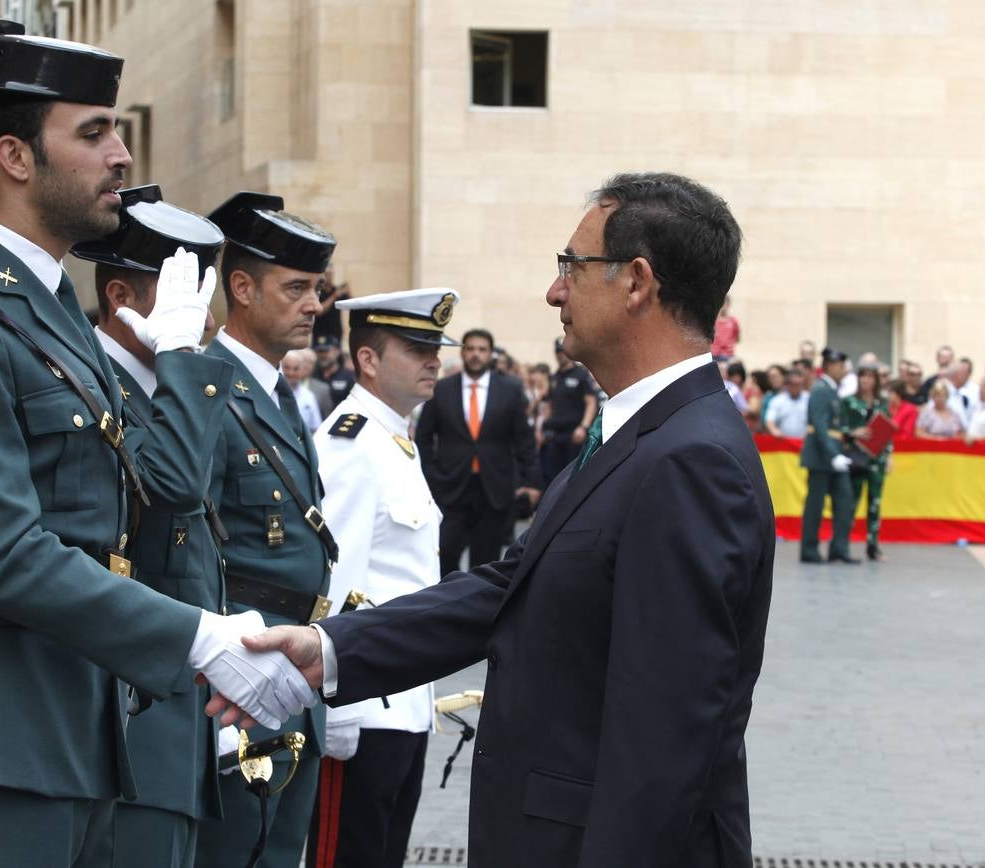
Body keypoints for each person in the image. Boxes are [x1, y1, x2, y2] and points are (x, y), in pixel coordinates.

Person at [228, 172, 776, 867]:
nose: (554, 292)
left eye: (570, 267)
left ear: (637, 282)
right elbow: (514, 587)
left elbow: (664, 743)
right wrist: (331, 648)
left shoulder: (690, 459)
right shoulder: (646, 436)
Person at [0, 21, 313, 868]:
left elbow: (158, 489)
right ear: (15, 157)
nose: (120, 154)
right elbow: (9, 554)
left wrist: (186, 361)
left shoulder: (50, 315)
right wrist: (197, 638)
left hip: (75, 720)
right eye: (94, 131)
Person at [72, 184, 233, 868]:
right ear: (120, 300)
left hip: (179, 698)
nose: (194, 318)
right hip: (129, 705)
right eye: (176, 295)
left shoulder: (163, 391)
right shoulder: (95, 388)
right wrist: (179, 359)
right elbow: (175, 487)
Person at [195, 191, 339, 868]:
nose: (315, 305)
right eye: (298, 288)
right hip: (238, 684)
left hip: (293, 680)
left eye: (319, 289)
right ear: (242, 288)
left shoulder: (278, 393)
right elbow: (192, 555)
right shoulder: (210, 389)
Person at [306, 287, 460, 868]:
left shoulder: (394, 439)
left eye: (435, 348)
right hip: (363, 710)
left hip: (404, 705)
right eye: (416, 347)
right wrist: (338, 711)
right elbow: (333, 580)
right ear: (367, 359)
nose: (434, 360)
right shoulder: (350, 444)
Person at [415, 327, 541, 577]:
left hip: (494, 488)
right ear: (463, 353)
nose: (475, 355)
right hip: (450, 487)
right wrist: (430, 475)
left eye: (482, 350)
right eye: (470, 349)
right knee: (445, 553)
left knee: (485, 562)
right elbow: (424, 438)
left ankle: (475, 612)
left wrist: (533, 482)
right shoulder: (442, 389)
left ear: (491, 354)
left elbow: (523, 440)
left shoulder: (510, 389)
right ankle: (445, 607)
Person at [799, 347, 859, 564]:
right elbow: (820, 425)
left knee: (845, 500)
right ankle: (809, 549)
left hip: (833, 455)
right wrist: (833, 455)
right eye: (840, 366)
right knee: (815, 505)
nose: (844, 370)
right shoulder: (821, 389)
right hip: (821, 456)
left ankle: (839, 548)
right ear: (830, 366)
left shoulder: (831, 389)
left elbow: (834, 426)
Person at [840, 365, 892, 561]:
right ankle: (842, 544)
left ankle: (873, 545)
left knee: (874, 503)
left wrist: (889, 457)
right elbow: (840, 427)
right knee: (851, 501)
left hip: (877, 459)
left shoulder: (882, 403)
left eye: (870, 378)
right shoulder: (849, 402)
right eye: (863, 377)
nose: (866, 381)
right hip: (857, 457)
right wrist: (853, 432)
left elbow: (887, 432)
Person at [540, 337, 598, 486]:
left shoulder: (581, 374)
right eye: (557, 352)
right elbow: (549, 404)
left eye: (562, 351)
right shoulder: (554, 377)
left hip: (574, 433)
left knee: (573, 477)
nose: (560, 355)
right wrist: (543, 426)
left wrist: (584, 427)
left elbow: (591, 402)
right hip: (555, 433)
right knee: (553, 476)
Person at [282, 349, 326, 431]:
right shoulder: (272, 391)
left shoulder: (309, 396)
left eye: (296, 369)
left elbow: (316, 427)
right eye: (287, 367)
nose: (291, 373)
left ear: (302, 370)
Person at [763, 368, 809, 439]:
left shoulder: (809, 399)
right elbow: (769, 420)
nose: (796, 387)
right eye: (794, 384)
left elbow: (814, 420)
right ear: (788, 384)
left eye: (799, 384)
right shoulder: (777, 400)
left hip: (804, 442)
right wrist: (774, 431)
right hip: (784, 444)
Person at [313, 334, 356, 406]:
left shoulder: (349, 377)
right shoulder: (313, 375)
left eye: (326, 351)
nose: (323, 355)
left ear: (337, 351)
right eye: (320, 351)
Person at [710, 293, 740, 360]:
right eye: (722, 304)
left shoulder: (733, 321)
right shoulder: (713, 321)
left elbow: (737, 338)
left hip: (727, 355)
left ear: (729, 305)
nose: (724, 306)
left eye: (725, 304)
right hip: (713, 354)